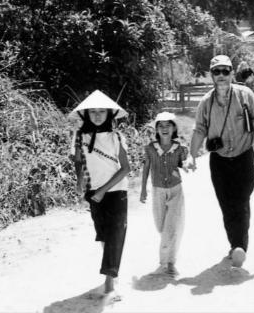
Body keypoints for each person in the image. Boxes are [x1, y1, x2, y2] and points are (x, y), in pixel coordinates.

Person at [190, 55, 254, 268]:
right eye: (217, 72)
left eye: (226, 71)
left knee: (241, 200)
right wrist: (192, 155)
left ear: (232, 73)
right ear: (211, 75)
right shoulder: (206, 102)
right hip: (219, 161)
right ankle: (237, 245)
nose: (221, 76)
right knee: (227, 205)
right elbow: (199, 129)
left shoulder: (245, 95)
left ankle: (239, 245)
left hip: (244, 157)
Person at [67, 90, 132, 301]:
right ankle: (112, 270)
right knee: (103, 234)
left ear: (109, 114)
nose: (97, 115)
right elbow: (78, 161)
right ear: (86, 114)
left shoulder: (116, 137)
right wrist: (79, 181)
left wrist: (104, 190)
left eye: (101, 111)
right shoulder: (79, 137)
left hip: (116, 191)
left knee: (115, 234)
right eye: (93, 111)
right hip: (92, 192)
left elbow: (125, 168)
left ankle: (109, 281)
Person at [140, 112, 196, 277]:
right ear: (156, 129)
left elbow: (185, 163)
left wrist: (188, 165)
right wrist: (143, 189)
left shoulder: (179, 148)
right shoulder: (151, 148)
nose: (164, 128)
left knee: (171, 227)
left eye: (168, 125)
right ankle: (167, 258)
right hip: (157, 190)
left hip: (175, 190)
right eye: (161, 126)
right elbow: (146, 168)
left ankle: (168, 262)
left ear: (174, 128)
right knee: (161, 226)